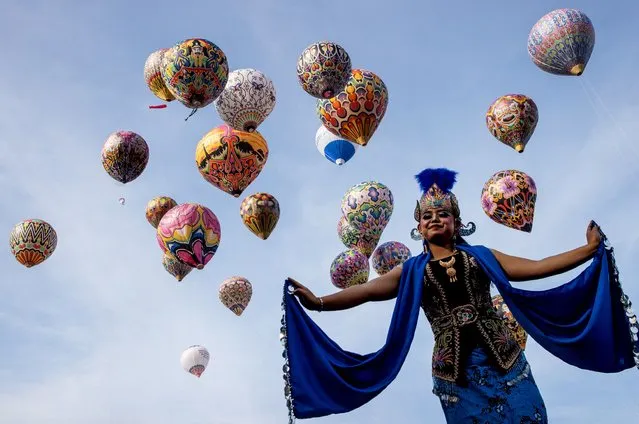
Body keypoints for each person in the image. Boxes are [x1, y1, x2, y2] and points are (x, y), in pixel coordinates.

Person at [286, 168, 610, 423]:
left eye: (443, 214)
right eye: (427, 216)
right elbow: (368, 291)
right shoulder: (412, 270)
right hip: (454, 373)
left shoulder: (480, 256)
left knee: (529, 417)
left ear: (456, 223)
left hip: (505, 361)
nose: (435, 219)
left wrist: (588, 249)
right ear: (420, 229)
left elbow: (537, 267)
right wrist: (319, 303)